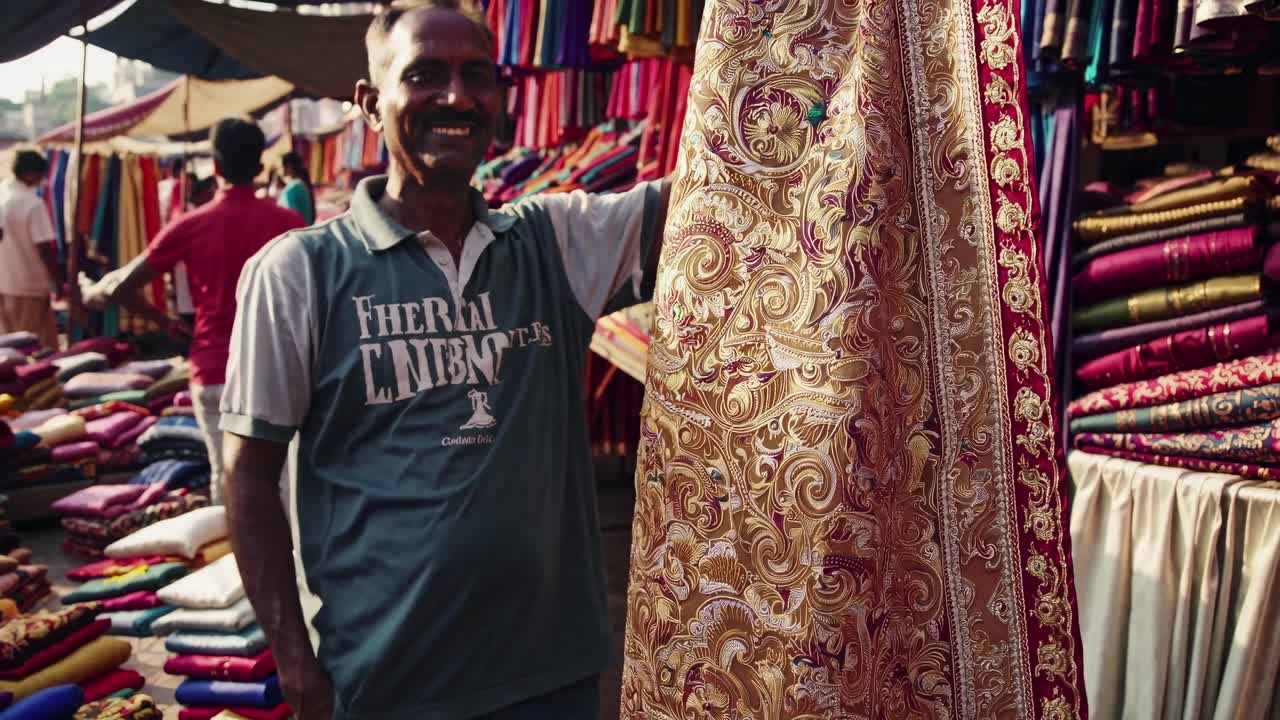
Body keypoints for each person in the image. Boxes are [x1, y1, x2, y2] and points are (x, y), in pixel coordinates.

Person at [220, 1, 671, 718]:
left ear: (501, 101)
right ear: (370, 104)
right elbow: (247, 478)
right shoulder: (300, 272)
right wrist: (294, 663)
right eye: (425, 74)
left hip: (551, 679)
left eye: (477, 77)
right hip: (383, 684)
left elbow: (711, 200)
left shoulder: (552, 243)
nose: (456, 97)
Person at [81, 117, 305, 505]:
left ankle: (238, 564)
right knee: (286, 480)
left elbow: (118, 288)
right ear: (259, 165)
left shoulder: (190, 225)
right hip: (282, 369)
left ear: (215, 167)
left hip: (215, 367)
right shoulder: (290, 223)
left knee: (229, 476)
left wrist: (160, 321)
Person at [0, 150, 61, 349]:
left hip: (5, 282)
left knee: (10, 348)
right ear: (30, 173)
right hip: (29, 287)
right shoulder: (32, 204)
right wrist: (58, 281)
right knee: (35, 348)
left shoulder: (3, 194)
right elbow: (44, 248)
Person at [277, 151, 316, 224]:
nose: (277, 170)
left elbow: (290, 219)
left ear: (289, 167)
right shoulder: (300, 184)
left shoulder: (293, 188)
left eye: (279, 167)